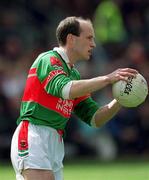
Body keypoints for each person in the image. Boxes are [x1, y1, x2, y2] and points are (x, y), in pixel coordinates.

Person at [11, 16, 138, 180]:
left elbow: (95, 118)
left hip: (55, 141)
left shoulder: (74, 75)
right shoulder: (48, 59)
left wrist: (121, 99)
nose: (93, 44)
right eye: (89, 38)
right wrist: (107, 79)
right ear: (71, 39)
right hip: (35, 134)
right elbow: (65, 89)